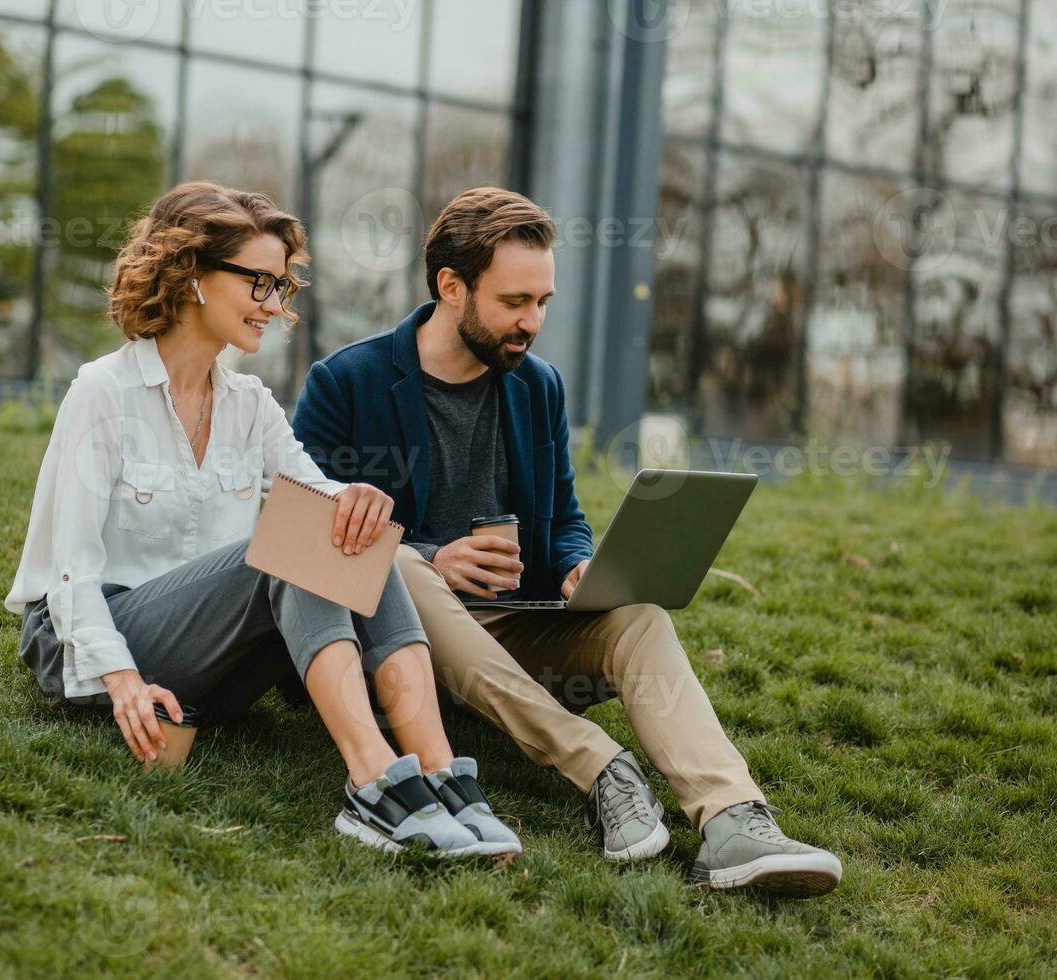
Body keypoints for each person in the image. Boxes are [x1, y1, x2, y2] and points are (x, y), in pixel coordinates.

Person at [291, 187, 842, 895]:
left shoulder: (537, 386)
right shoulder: (348, 381)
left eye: (543, 302)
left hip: (517, 626)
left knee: (639, 617)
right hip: (404, 641)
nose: (534, 322)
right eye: (515, 302)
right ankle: (600, 766)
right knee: (397, 564)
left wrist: (580, 564)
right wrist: (432, 557)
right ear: (451, 287)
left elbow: (564, 518)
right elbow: (308, 536)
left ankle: (733, 821)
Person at [4, 180, 520, 859]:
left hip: (207, 659)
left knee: (347, 535)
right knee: (293, 543)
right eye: (258, 284)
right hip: (97, 637)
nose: (274, 307)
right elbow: (69, 569)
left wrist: (354, 500)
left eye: (282, 288)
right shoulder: (104, 392)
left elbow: (320, 496)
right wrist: (122, 680)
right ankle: (372, 785)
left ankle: (442, 774)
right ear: (191, 274)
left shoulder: (250, 403)